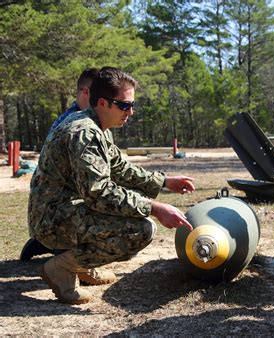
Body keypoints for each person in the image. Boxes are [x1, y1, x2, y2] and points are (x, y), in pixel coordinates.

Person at [28, 67, 195, 305]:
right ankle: (64, 268)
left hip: (65, 211)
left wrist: (165, 182)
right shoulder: (84, 133)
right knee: (140, 230)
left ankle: (82, 264)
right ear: (104, 103)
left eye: (131, 105)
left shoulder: (96, 126)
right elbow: (100, 193)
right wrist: (154, 208)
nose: (131, 112)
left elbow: (118, 167)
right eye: (124, 106)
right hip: (52, 220)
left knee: (131, 217)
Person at [20, 68, 100, 262]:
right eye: (100, 94)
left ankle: (47, 241)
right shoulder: (77, 125)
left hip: (48, 210)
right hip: (56, 210)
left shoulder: (75, 118)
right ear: (86, 92)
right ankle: (58, 244)